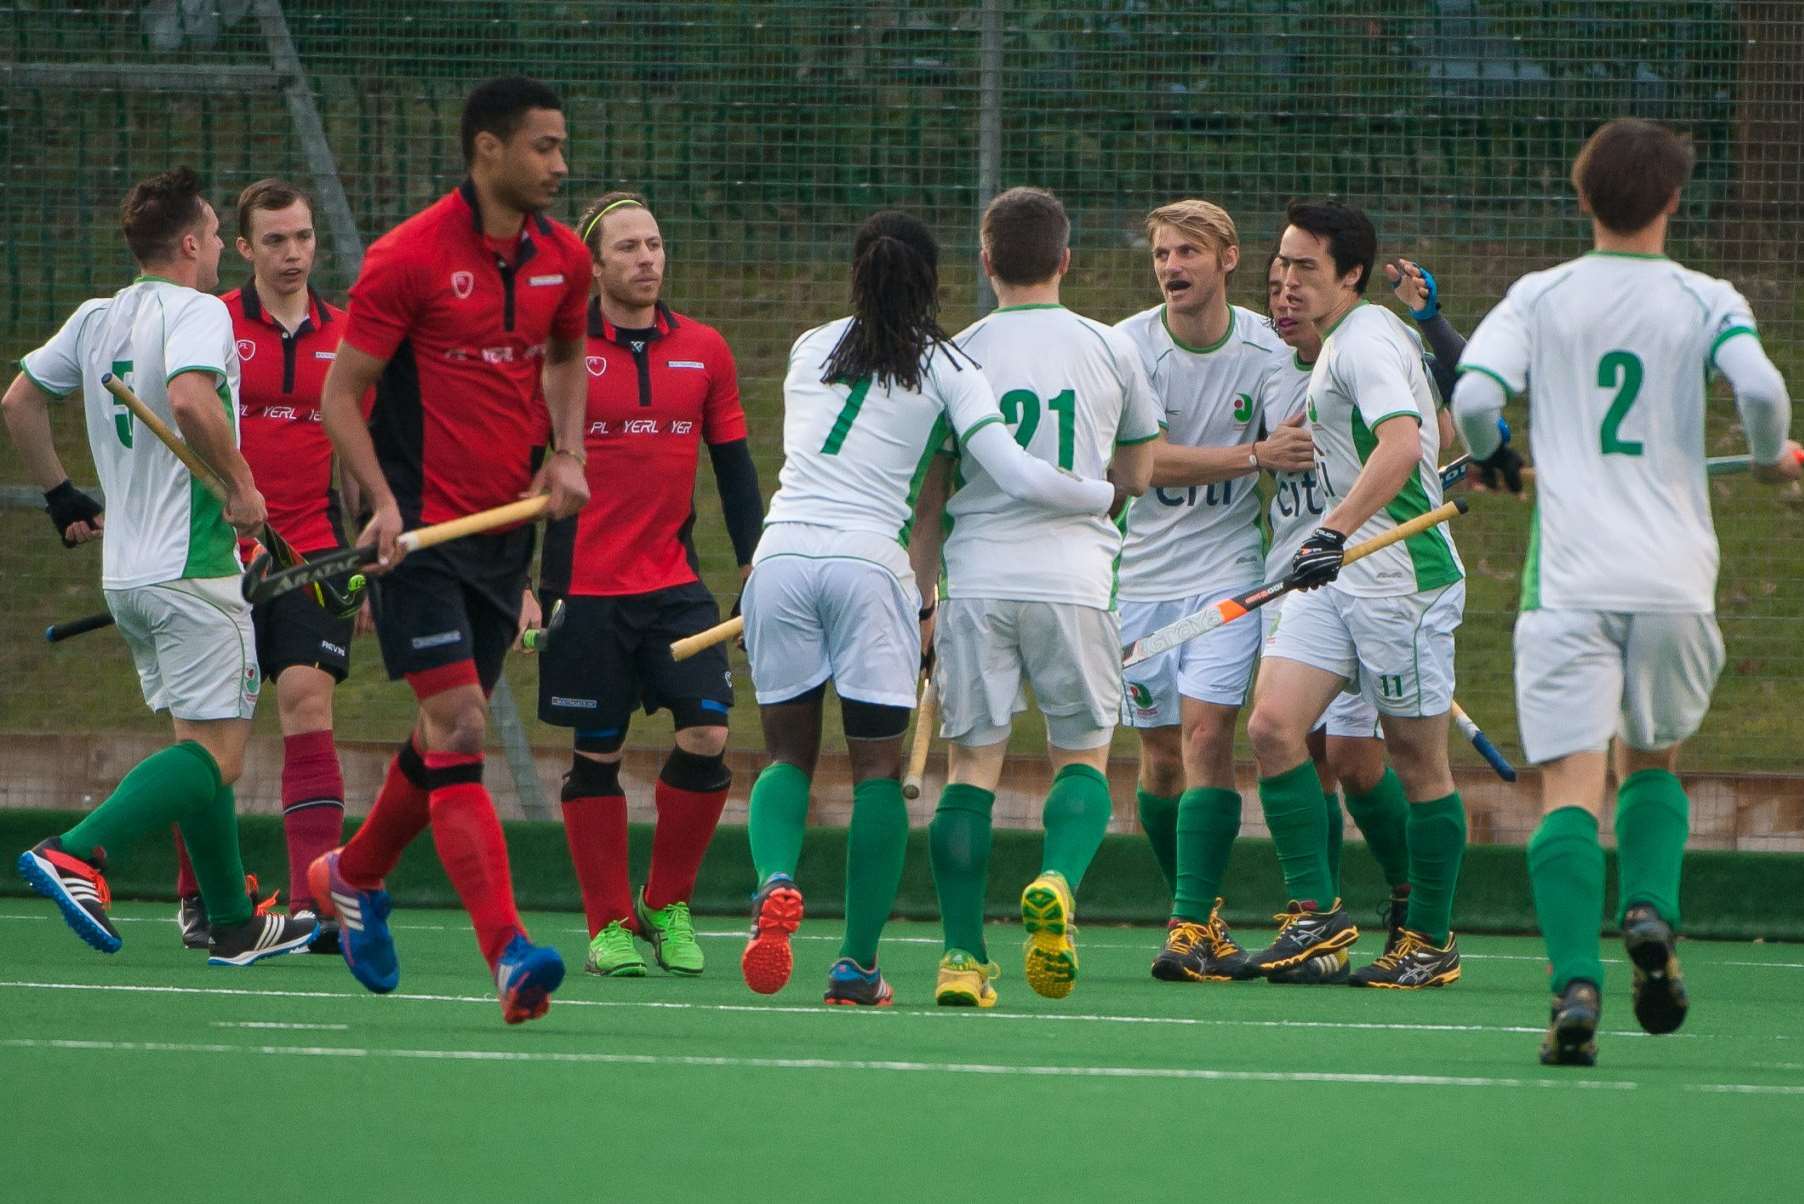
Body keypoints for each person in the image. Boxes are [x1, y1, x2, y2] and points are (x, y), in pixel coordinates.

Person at [1453, 117, 1797, 1064]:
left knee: (1570, 788)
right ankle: (1649, 912)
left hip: (1568, 582)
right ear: (1674, 201)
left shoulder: (1540, 296)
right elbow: (1763, 393)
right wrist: (1770, 461)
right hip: (1672, 579)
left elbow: (1476, 400)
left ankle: (1574, 987)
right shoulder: (1704, 297)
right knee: (1652, 763)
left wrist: (1495, 460)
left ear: (1581, 194)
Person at [738, 209, 1120, 1007]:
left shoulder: (810, 348)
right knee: (878, 771)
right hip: (868, 566)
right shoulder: (945, 363)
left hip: (778, 559)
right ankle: (854, 967)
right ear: (935, 279)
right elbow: (1015, 474)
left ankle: (773, 877)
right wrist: (1104, 493)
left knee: (786, 759)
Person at [306, 77, 593, 1025]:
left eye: (562, 147)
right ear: (487, 149)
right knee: (464, 727)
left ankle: (352, 875)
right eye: (544, 148)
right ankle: (509, 952)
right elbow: (341, 397)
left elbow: (562, 356)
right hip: (418, 536)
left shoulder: (563, 259)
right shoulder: (409, 258)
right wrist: (380, 503)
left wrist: (567, 450)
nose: (560, 165)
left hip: (499, 533)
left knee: (440, 731)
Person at [3, 166, 315, 966]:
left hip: (128, 576)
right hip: (195, 568)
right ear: (188, 243)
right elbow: (187, 400)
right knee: (218, 754)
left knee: (195, 740)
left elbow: (19, 404)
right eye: (215, 236)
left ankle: (229, 920)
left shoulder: (96, 317)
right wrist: (243, 487)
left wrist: (62, 496)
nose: (219, 249)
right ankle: (78, 850)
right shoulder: (200, 311)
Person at [926, 186, 1161, 1006]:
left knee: (970, 769)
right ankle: (1057, 880)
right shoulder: (1110, 346)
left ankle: (961, 959)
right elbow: (1135, 474)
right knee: (1083, 755)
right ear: (1066, 260)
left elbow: (933, 489)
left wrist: (924, 597)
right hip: (1075, 581)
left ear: (986, 262)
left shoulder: (953, 353)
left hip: (978, 581)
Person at [533, 190, 762, 979]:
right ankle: (606, 926)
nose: (647, 259)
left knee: (707, 733)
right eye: (628, 248)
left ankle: (666, 903)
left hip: (674, 587)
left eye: (655, 244)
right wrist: (525, 587)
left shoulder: (705, 350)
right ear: (594, 267)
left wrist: (756, 570)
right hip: (584, 591)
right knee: (597, 752)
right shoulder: (561, 354)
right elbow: (519, 473)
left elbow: (735, 479)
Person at [1244, 200, 1467, 989]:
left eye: (1306, 268)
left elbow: (1406, 443)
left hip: (1404, 578)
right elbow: (1431, 440)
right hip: (1340, 574)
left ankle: (1432, 942)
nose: (1287, 283)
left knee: (1416, 760)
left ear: (1351, 276)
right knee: (1273, 728)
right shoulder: (1343, 344)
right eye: (1282, 266)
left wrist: (1331, 529)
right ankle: (1317, 916)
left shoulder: (1367, 338)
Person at [170, 178, 365, 954]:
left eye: (304, 238)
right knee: (215, 733)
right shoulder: (209, 323)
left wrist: (367, 540)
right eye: (275, 240)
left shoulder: (346, 337)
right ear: (243, 247)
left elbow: (354, 457)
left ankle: (317, 899)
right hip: (218, 552)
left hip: (309, 547)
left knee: (308, 704)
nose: (293, 254)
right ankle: (201, 898)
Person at [1112, 199, 1300, 984]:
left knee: (1206, 739)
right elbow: (1142, 465)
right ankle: (1208, 916)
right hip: (1140, 578)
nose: (1171, 268)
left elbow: (1300, 442)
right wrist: (1252, 454)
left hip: (1228, 576)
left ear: (1227, 259)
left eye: (1187, 251)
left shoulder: (1267, 348)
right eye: (1161, 254)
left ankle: (1188, 925)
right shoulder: (1125, 348)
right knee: (1158, 760)